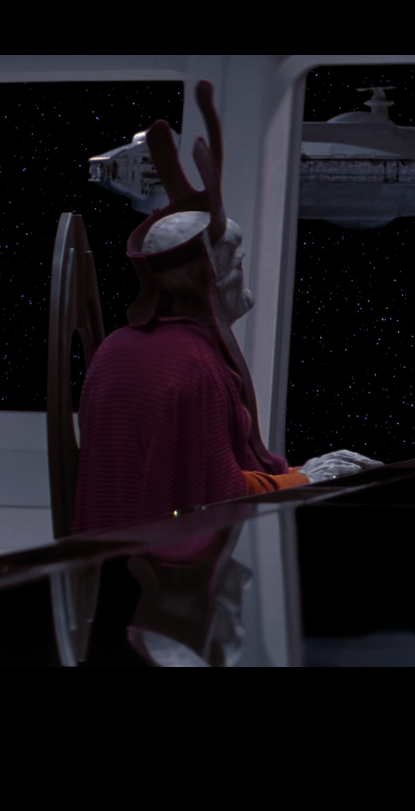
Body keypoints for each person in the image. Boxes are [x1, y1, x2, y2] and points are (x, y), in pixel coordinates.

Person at [73, 81, 379, 536]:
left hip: (111, 549)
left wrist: (301, 471)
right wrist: (307, 479)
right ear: (206, 284)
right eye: (237, 267)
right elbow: (214, 497)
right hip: (156, 561)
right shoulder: (193, 365)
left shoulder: (123, 347)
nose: (246, 283)